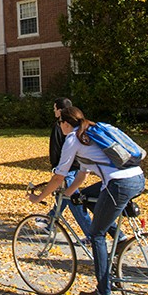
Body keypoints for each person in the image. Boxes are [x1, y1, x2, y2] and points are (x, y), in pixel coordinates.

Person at [29, 106, 145, 295]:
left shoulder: (73, 139)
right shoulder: (91, 131)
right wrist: (67, 195)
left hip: (118, 184)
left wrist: (39, 197)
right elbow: (82, 175)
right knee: (83, 198)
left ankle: (103, 293)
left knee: (96, 234)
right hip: (137, 178)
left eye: (60, 124)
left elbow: (58, 177)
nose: (60, 127)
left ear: (65, 123)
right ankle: (120, 242)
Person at [48, 97, 93, 244]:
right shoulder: (78, 126)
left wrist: (55, 166)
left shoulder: (61, 127)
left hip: (69, 169)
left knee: (75, 202)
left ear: (60, 110)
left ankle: (92, 235)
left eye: (55, 108)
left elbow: (56, 148)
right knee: (65, 197)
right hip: (77, 168)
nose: (54, 111)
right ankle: (50, 221)